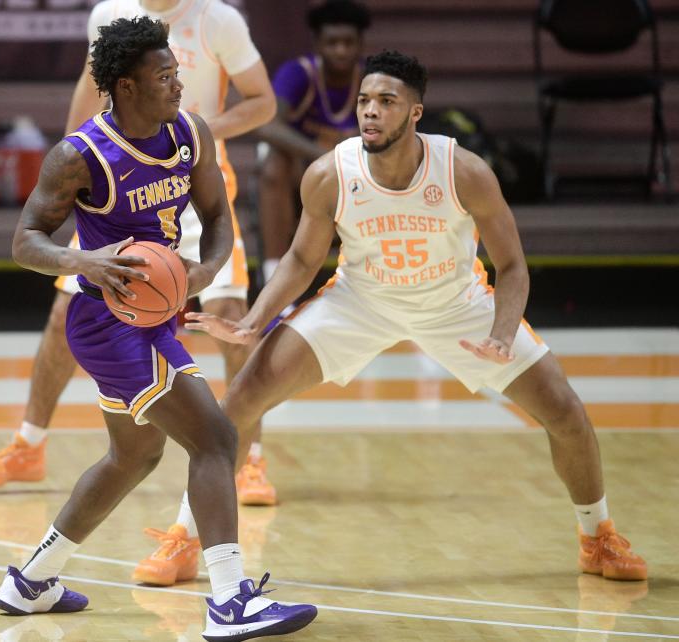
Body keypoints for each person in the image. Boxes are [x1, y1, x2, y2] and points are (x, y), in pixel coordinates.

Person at [185, 50, 648, 582]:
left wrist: (501, 335)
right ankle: (183, 538)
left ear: (416, 113)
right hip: (361, 302)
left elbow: (514, 266)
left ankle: (599, 537)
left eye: (387, 102)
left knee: (565, 411)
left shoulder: (464, 171)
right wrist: (253, 322)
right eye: (364, 101)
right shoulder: (330, 173)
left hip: (455, 304)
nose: (371, 112)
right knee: (240, 399)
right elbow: (302, 260)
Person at [0, 18, 318, 641]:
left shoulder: (190, 131)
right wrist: (78, 259)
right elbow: (23, 242)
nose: (178, 84)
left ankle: (32, 580)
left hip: (154, 312)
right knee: (218, 438)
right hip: (104, 319)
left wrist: (204, 272)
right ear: (125, 86)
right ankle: (231, 601)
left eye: (177, 73)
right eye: (165, 77)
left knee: (132, 456)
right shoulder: (79, 157)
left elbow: (219, 215)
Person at [256, 0, 369, 283]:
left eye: (348, 42)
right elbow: (267, 124)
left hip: (352, 179)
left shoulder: (370, 79)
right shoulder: (298, 73)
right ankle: (274, 275)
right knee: (274, 166)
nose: (341, 50)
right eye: (332, 43)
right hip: (300, 175)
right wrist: (322, 154)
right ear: (318, 44)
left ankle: (370, 274)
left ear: (360, 44)